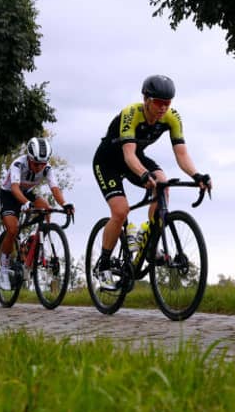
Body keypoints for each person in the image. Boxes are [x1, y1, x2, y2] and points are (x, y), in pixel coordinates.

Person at [90, 75, 211, 291]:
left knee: (163, 183)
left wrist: (197, 175)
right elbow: (128, 155)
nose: (163, 108)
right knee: (120, 211)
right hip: (108, 161)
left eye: (168, 103)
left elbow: (182, 154)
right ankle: (104, 264)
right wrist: (144, 175)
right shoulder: (131, 114)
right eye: (158, 102)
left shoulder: (172, 118)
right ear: (146, 99)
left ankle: (149, 237)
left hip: (135, 158)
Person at [0, 137, 74, 291]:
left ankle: (37, 241)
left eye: (43, 164)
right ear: (29, 158)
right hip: (9, 194)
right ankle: (3, 265)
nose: (39, 167)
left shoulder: (46, 168)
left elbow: (55, 189)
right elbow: (15, 189)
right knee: (12, 229)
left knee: (46, 208)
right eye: (36, 163)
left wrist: (65, 204)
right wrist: (26, 204)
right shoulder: (18, 164)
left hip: (27, 192)